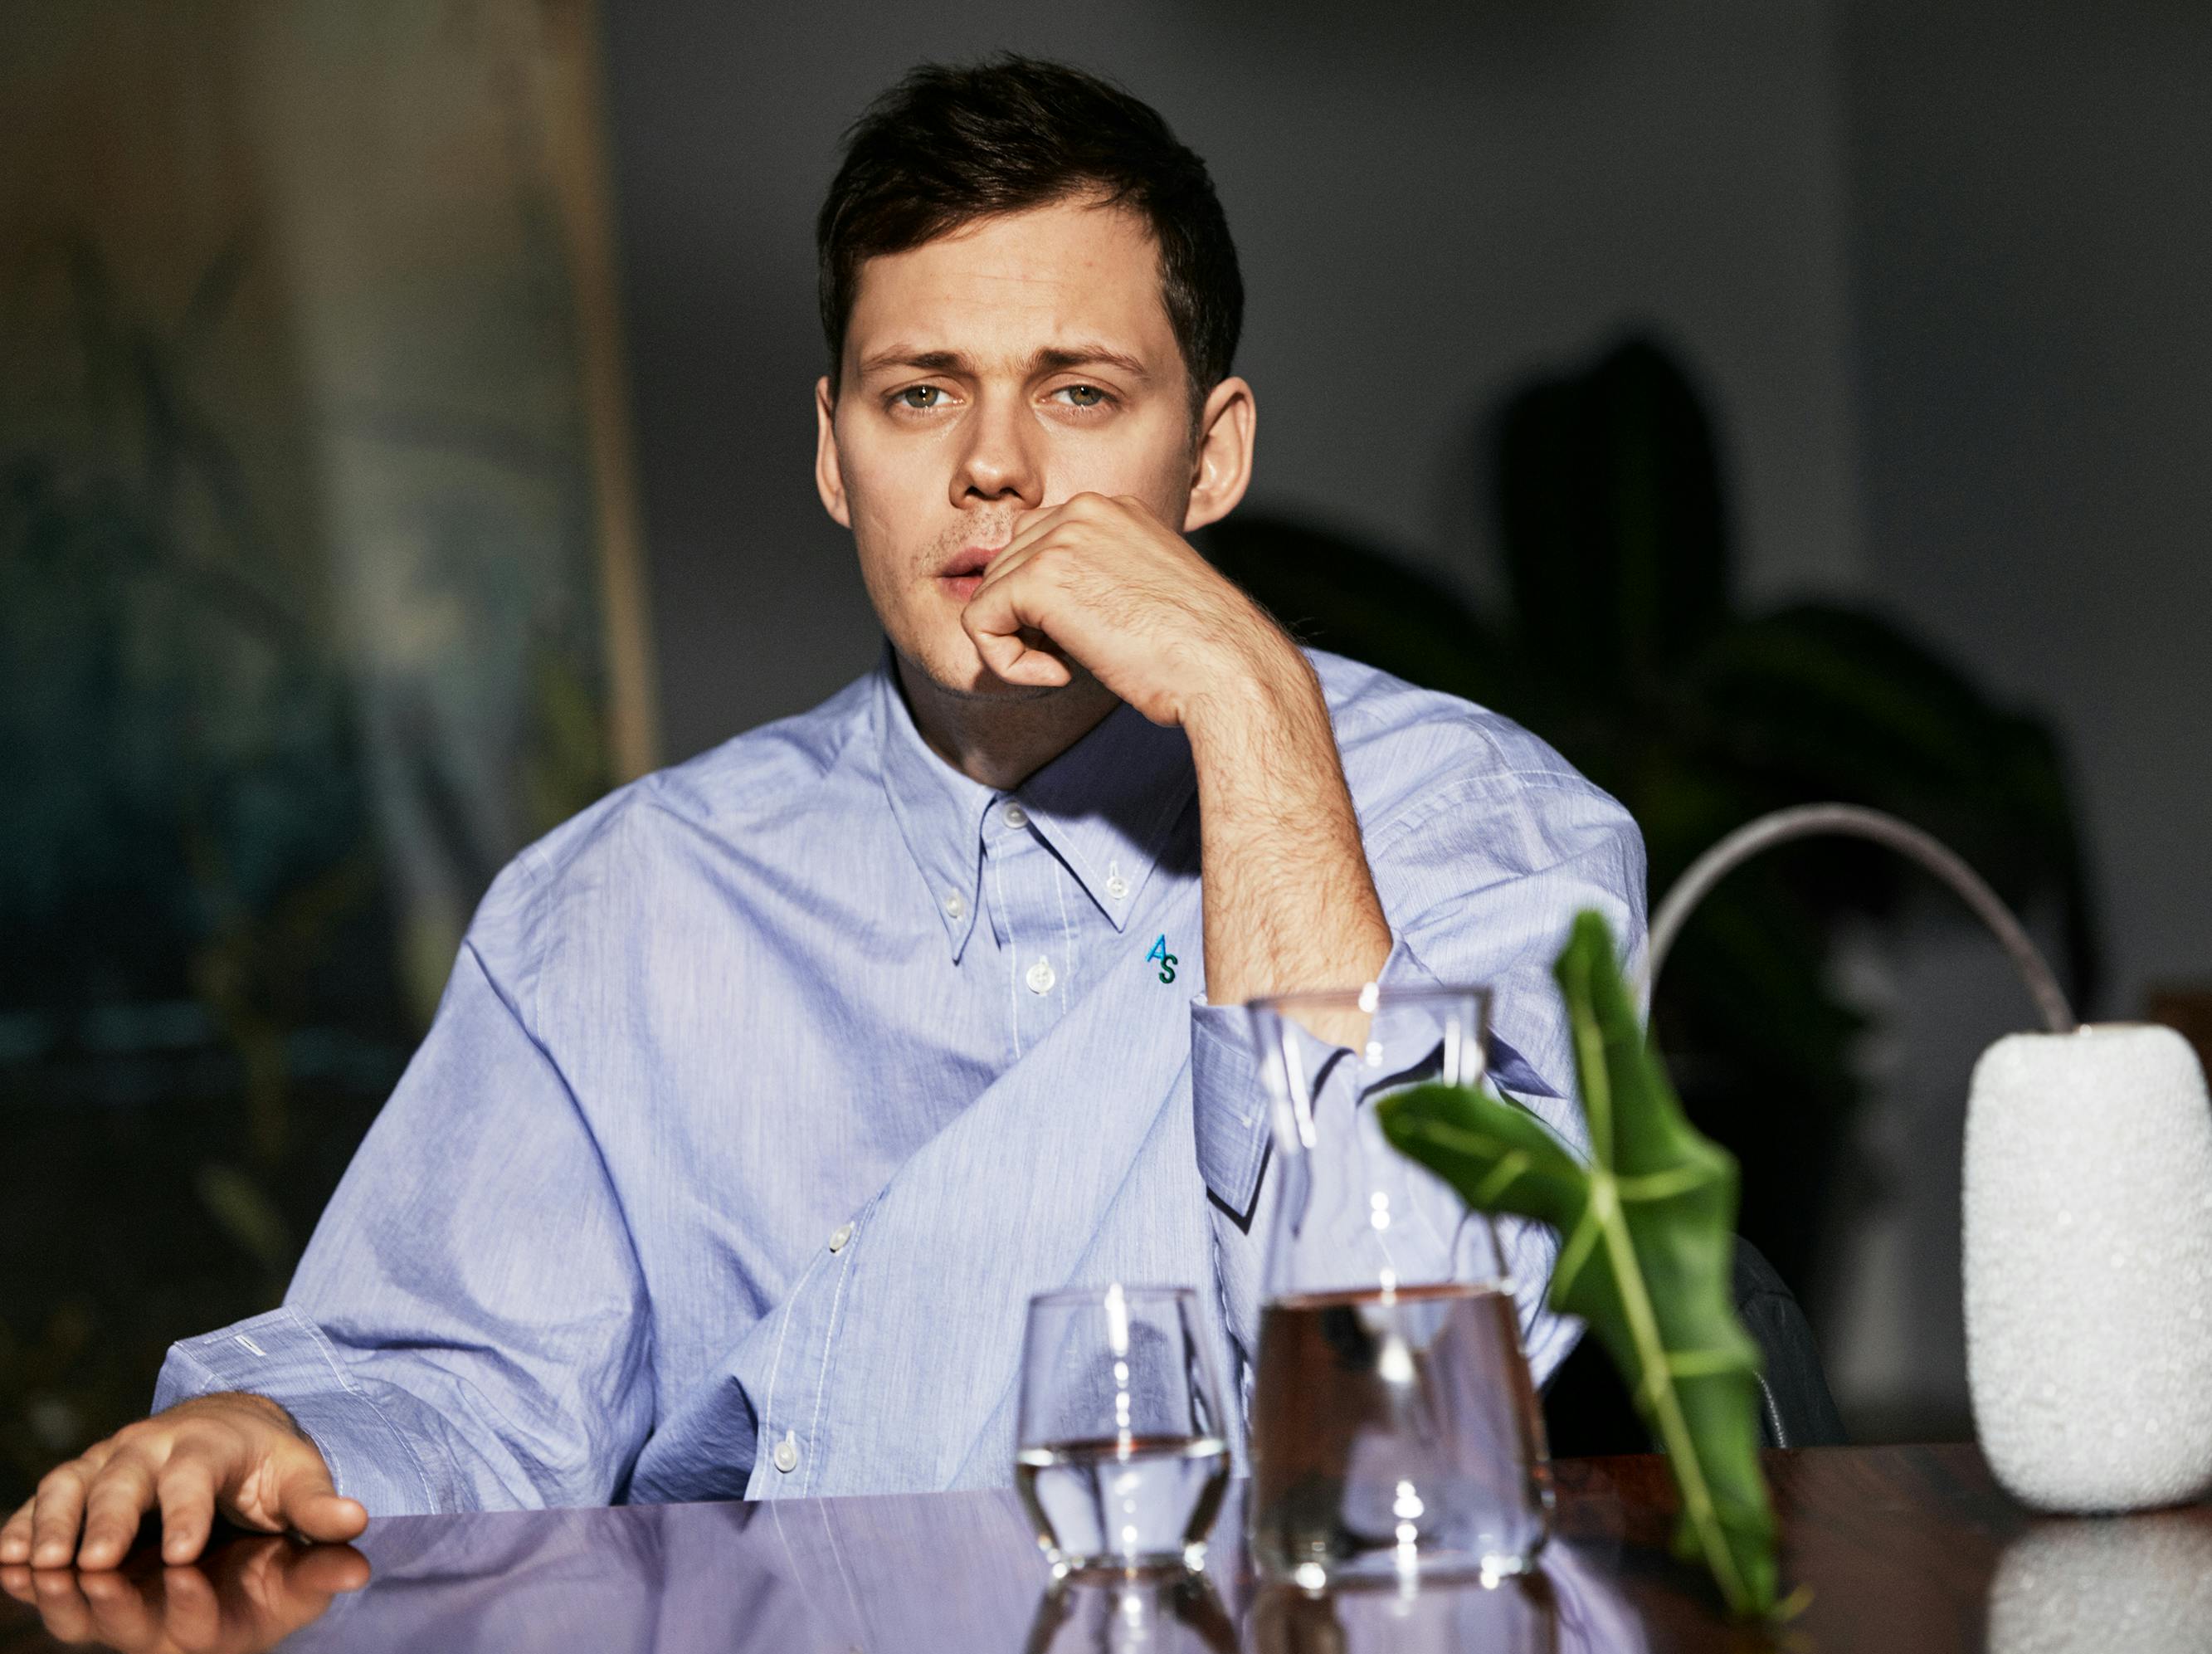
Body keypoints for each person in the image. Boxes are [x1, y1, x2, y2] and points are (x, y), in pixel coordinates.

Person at [1, 55, 1642, 1572]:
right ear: (834, 451)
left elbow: (1408, 1407)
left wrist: (1253, 709)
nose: (992, 468)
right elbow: (468, 1387)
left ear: (1209, 459)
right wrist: (274, 1430)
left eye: (1078, 393)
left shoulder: (1475, 823)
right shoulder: (624, 903)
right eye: (920, 394)